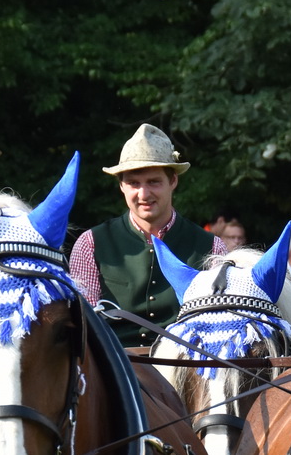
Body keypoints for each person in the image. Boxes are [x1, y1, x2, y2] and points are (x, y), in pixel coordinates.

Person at [69, 123, 226, 345]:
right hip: (116, 370)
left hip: (184, 370)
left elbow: (217, 325)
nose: (144, 193)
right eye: (134, 183)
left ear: (173, 181)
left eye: (154, 182)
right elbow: (86, 324)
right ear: (121, 186)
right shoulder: (90, 244)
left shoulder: (212, 248)